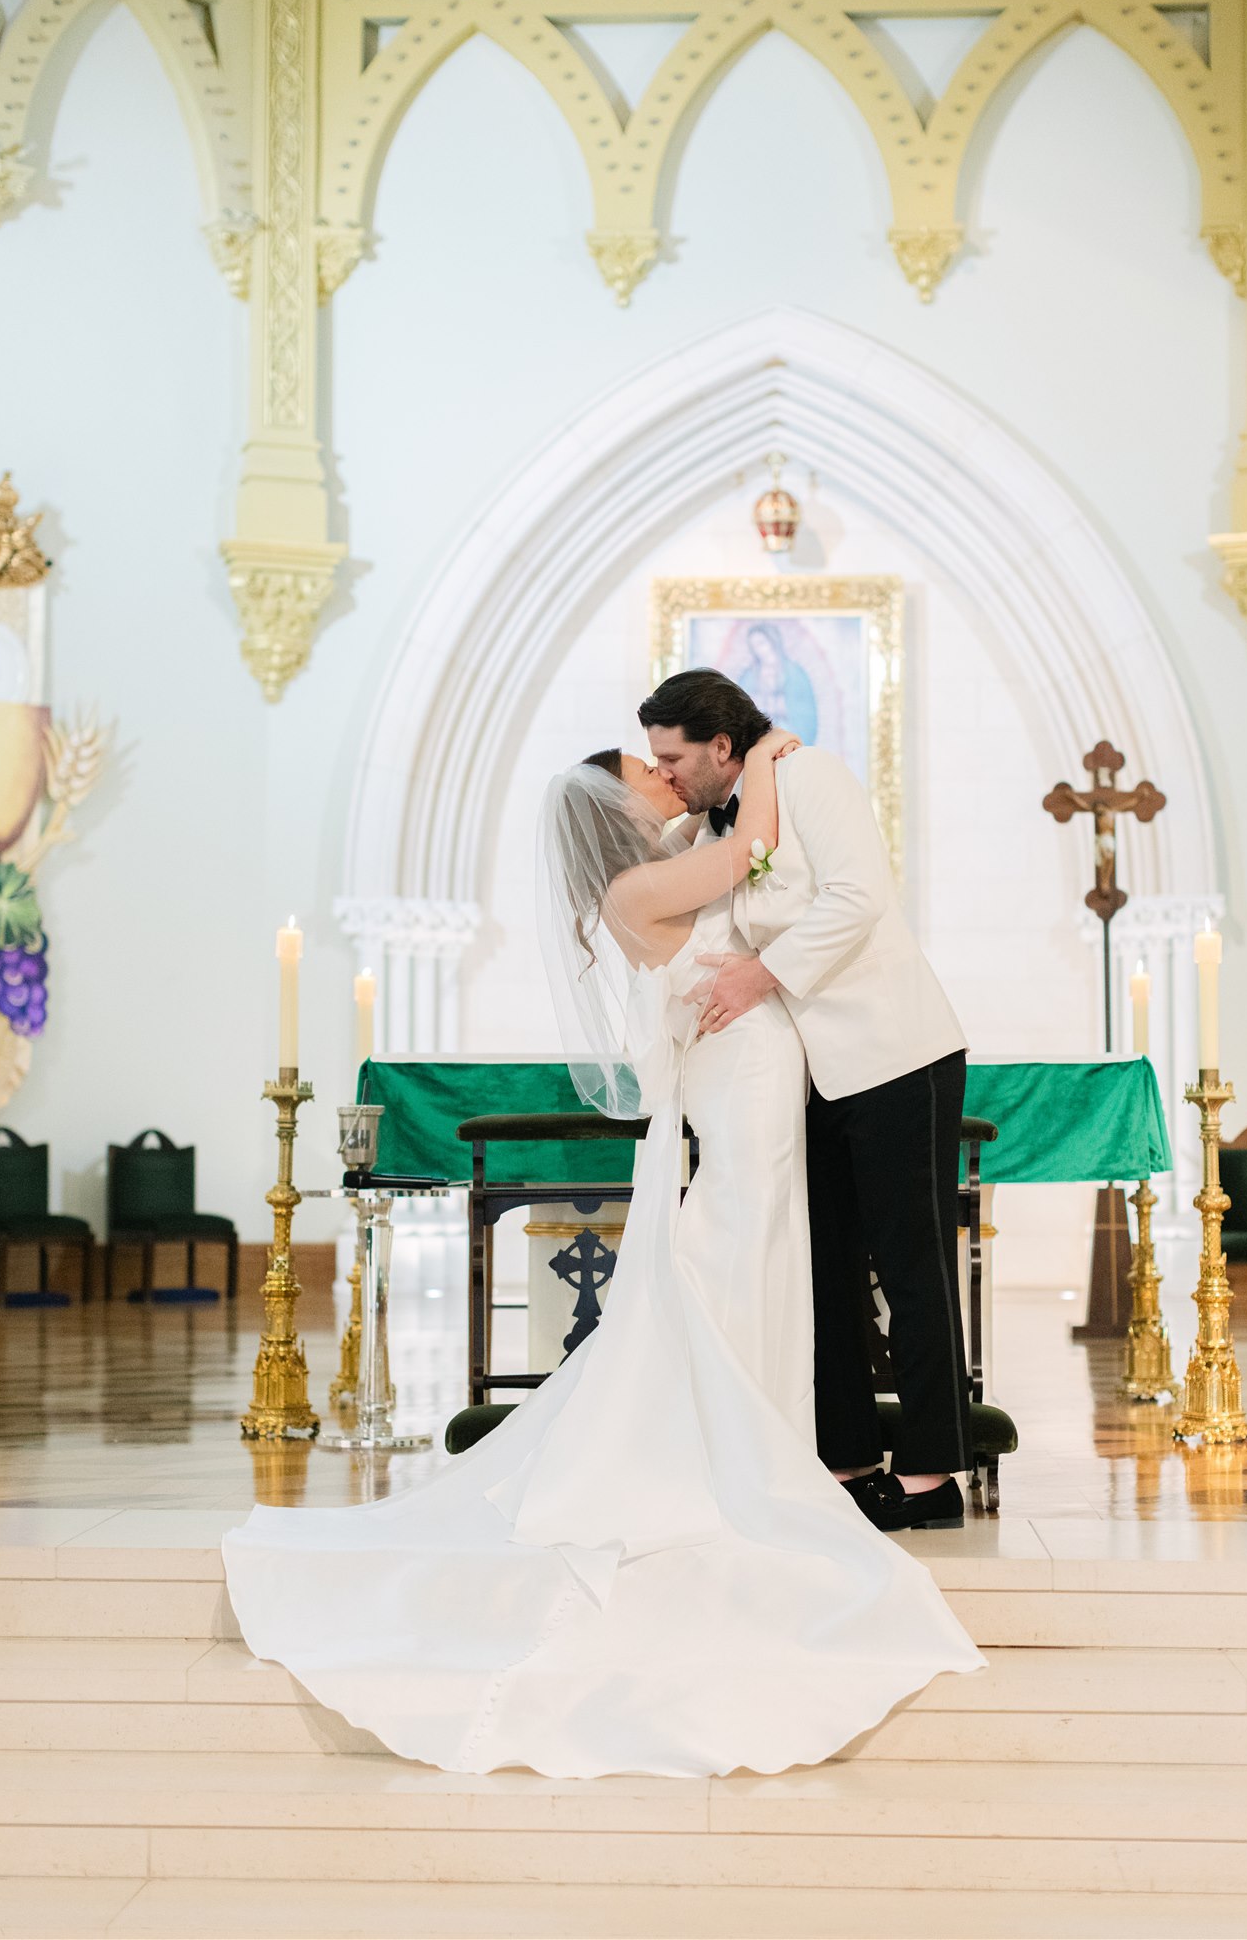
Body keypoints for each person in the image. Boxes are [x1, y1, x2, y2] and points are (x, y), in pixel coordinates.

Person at [222, 720, 981, 1779]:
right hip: (746, 1084)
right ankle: (747, 1465)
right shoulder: (637, 893)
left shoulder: (664, 876)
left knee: (760, 1252)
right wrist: (760, 759)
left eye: (669, 763)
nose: (664, 778)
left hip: (762, 1080)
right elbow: (755, 854)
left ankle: (772, 1449)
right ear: (614, 809)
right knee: (738, 1252)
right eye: (646, 773)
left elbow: (753, 881)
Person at [638, 667, 972, 1533]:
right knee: (824, 1269)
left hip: (894, 1049)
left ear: (721, 745)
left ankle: (935, 1476)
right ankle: (849, 1457)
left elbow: (859, 897)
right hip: (808, 1075)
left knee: (913, 1266)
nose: (665, 773)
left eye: (672, 757)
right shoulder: (719, 819)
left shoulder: (811, 774)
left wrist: (763, 973)